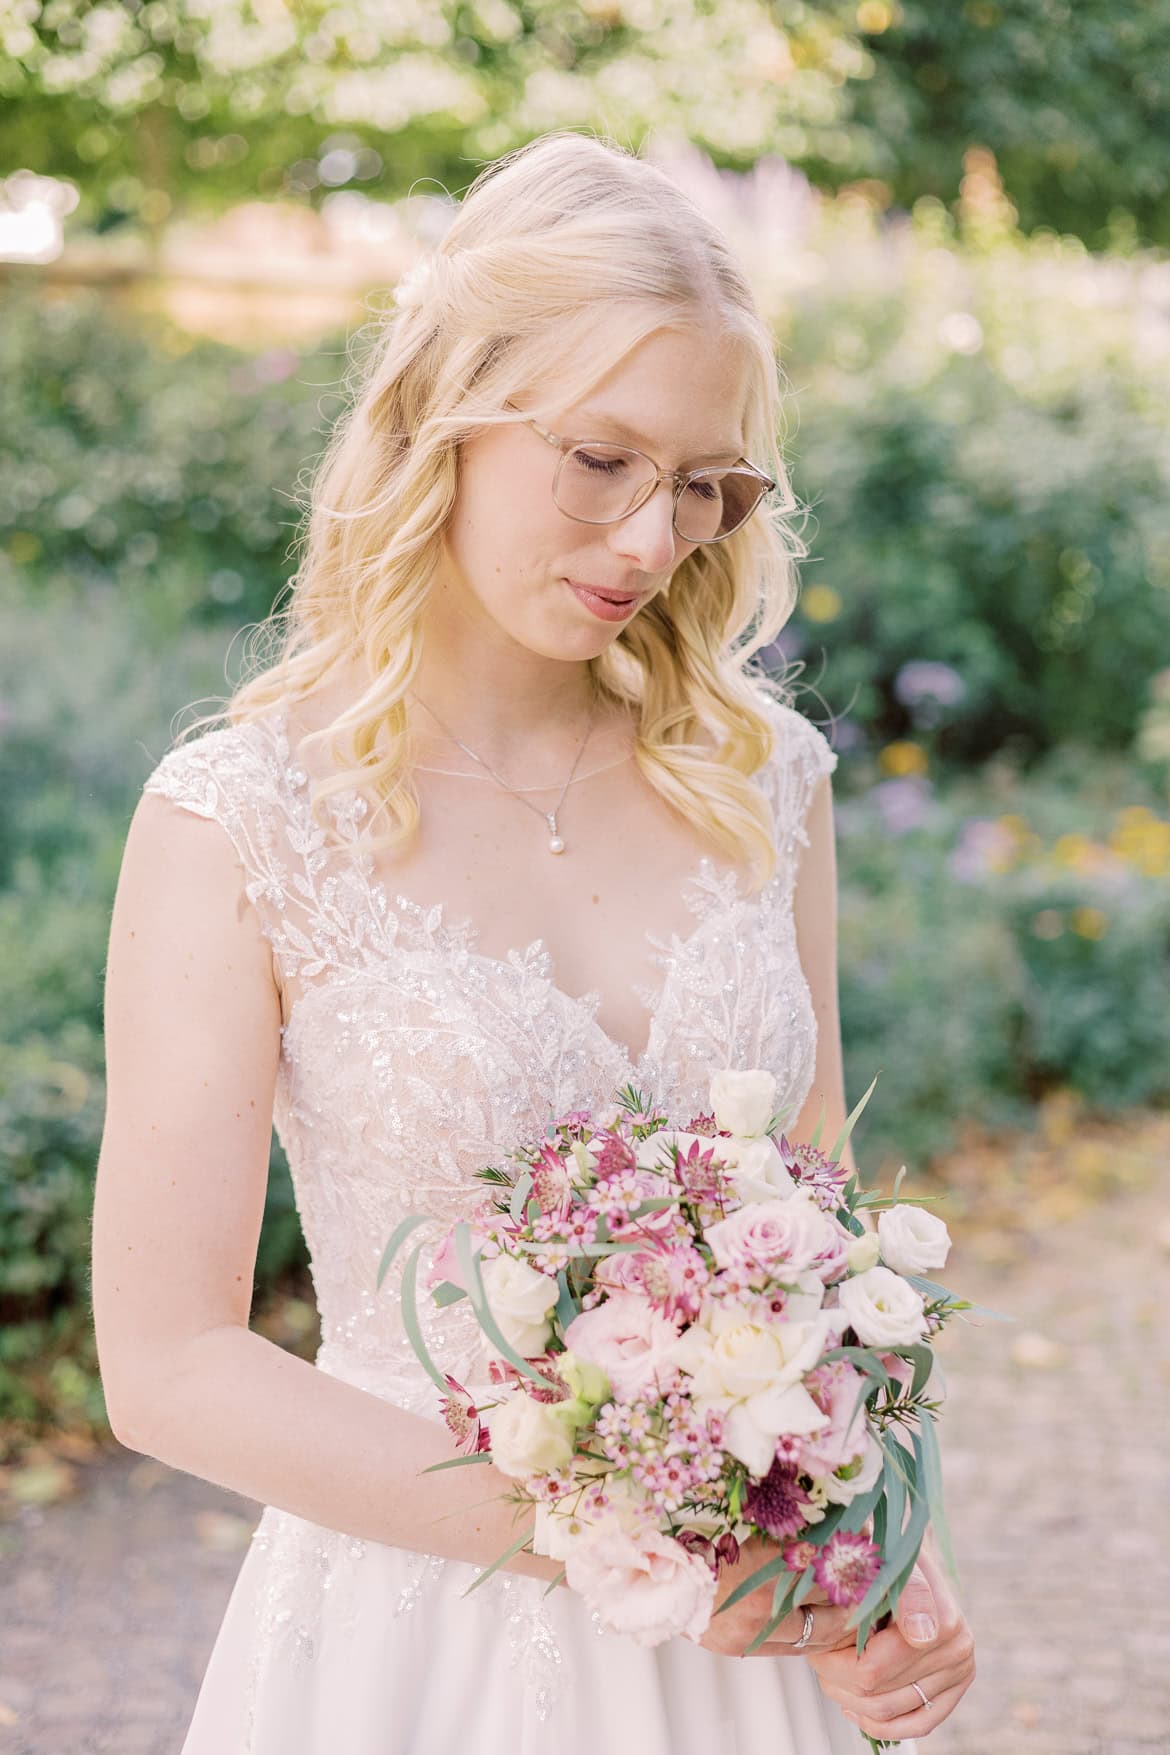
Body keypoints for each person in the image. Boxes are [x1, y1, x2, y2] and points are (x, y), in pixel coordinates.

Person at [91, 130, 975, 1754]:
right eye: (599, 460)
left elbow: (821, 1238)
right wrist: (599, 1535)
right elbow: (167, 1364)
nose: (652, 540)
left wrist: (872, 1539)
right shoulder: (240, 817)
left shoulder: (762, 782)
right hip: (402, 1646)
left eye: (704, 484)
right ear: (444, 416)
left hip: (737, 1661)